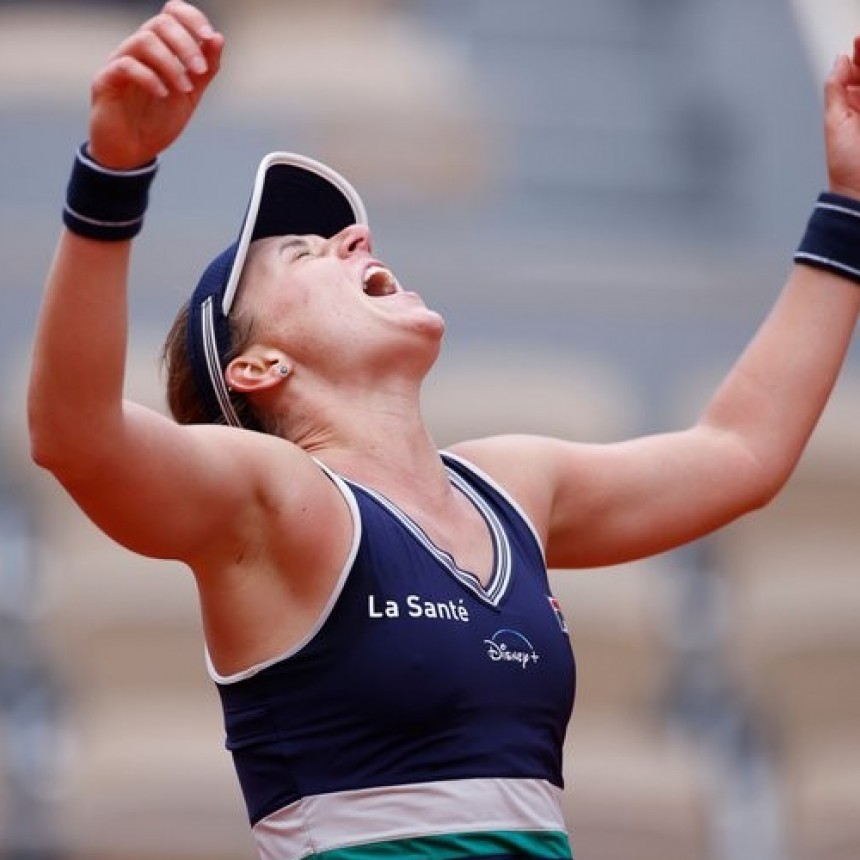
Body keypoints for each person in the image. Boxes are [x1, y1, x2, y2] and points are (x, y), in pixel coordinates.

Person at [26, 2, 860, 858]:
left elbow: (741, 453)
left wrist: (850, 200)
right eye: (306, 254)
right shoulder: (276, 503)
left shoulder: (512, 486)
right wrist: (112, 175)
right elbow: (75, 437)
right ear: (259, 369)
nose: (355, 235)